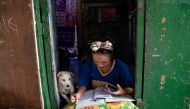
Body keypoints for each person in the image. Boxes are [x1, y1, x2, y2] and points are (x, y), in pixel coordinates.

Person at [71, 37, 134, 102]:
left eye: (104, 62)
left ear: (112, 57)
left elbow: (131, 87)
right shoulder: (88, 65)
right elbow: (84, 84)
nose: (100, 65)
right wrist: (79, 93)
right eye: (96, 61)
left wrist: (124, 91)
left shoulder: (121, 67)